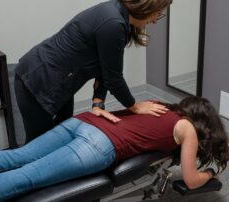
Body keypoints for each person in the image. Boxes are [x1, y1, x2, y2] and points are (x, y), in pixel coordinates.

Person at [0, 96, 229, 202]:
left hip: (84, 121)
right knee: (28, 176)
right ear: (204, 123)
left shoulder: (159, 105)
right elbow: (189, 177)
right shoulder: (186, 128)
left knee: (16, 155)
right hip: (99, 145)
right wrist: (210, 172)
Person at [14, 0, 172, 143]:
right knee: (37, 146)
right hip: (38, 79)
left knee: (62, 135)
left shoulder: (118, 16)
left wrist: (98, 103)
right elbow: (114, 79)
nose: (156, 20)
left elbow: (106, 68)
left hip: (59, 80)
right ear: (146, 6)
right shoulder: (114, 22)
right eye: (158, 12)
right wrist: (134, 106)